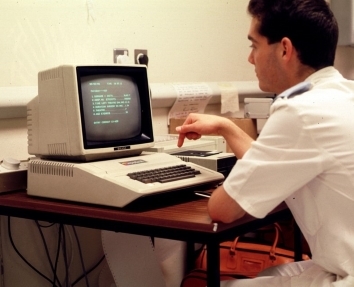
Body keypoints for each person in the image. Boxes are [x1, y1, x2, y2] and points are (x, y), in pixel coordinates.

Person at [176, 0, 354, 286]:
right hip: (341, 262)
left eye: (254, 45)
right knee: (271, 274)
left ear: (284, 49)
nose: (251, 58)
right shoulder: (341, 94)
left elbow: (223, 209)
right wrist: (227, 127)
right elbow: (275, 162)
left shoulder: (300, 111)